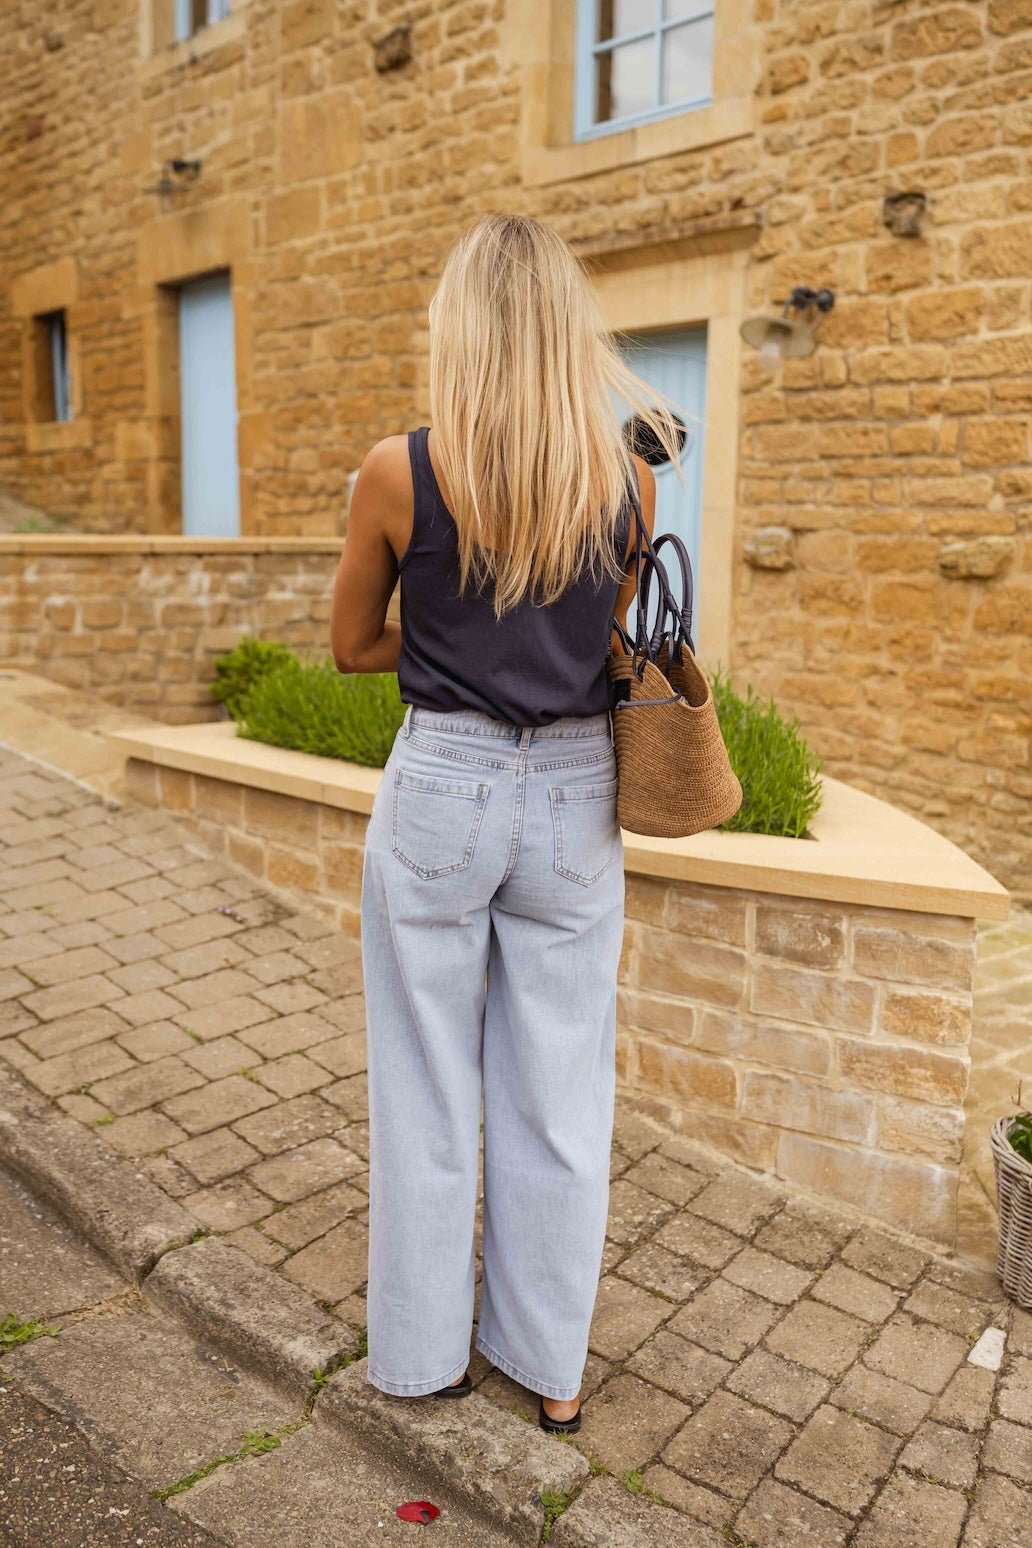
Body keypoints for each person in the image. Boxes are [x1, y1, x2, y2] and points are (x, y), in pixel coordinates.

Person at [329, 211, 684, 1433]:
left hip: (445, 781)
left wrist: (443, 645)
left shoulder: (399, 471)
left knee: (425, 1085)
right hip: (578, 794)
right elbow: (599, 637)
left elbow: (351, 645)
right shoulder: (629, 477)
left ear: (462, 328)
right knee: (560, 1093)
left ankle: (423, 1357)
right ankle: (552, 1370)